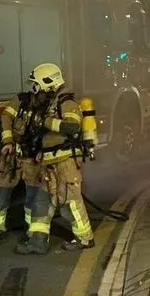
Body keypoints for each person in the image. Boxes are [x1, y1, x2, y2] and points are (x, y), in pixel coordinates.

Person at [16, 62, 95, 255]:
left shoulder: (66, 102)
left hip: (65, 162)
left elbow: (72, 127)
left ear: (48, 83)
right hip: (49, 163)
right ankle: (38, 242)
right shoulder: (49, 103)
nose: (35, 90)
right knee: (41, 202)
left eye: (37, 85)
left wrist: (46, 122)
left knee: (71, 204)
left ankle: (85, 238)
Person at [0, 90, 45, 240]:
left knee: (33, 194)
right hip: (12, 154)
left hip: (33, 158)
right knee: (3, 191)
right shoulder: (21, 100)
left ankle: (31, 229)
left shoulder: (50, 106)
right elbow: (6, 116)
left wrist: (42, 151)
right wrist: (8, 140)